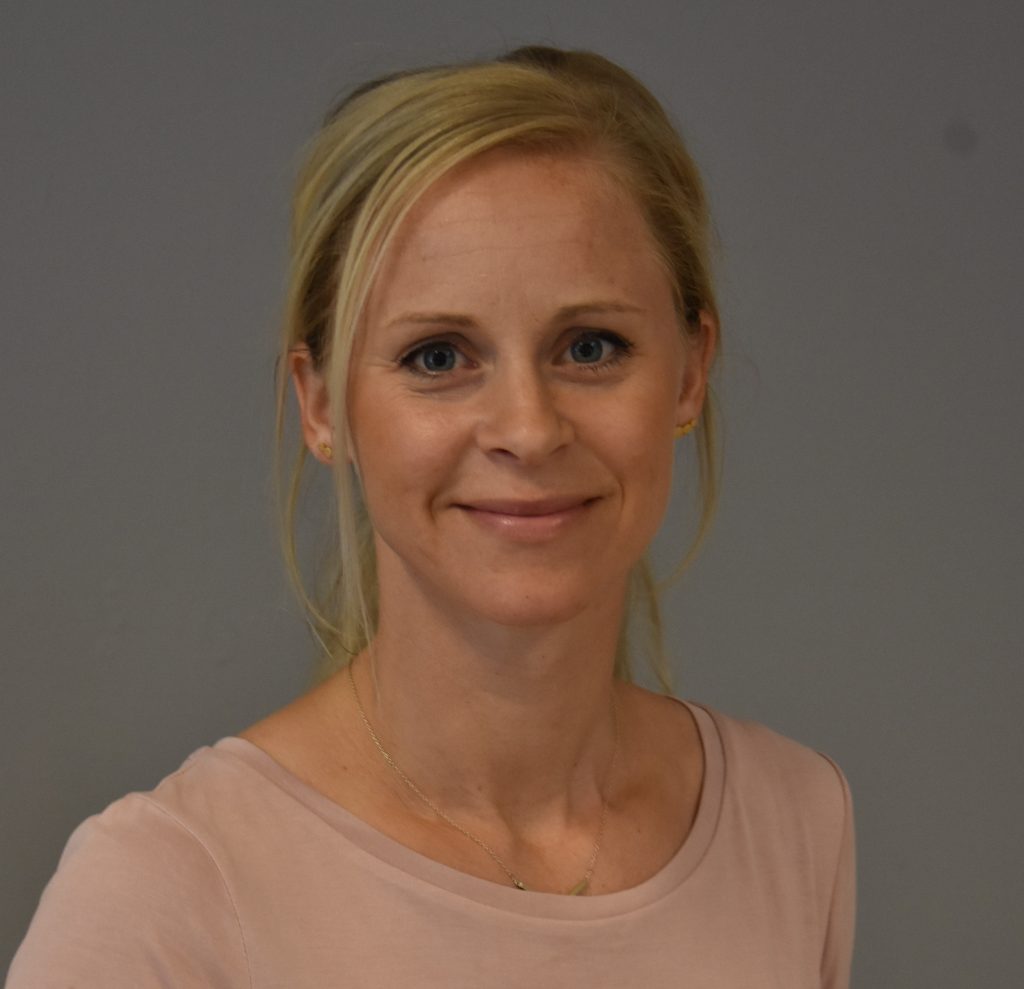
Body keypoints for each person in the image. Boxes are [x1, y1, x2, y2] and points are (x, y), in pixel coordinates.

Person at [8, 46, 855, 987]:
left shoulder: (795, 818)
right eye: (439, 357)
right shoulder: (168, 885)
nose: (528, 429)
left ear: (691, 372)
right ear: (322, 406)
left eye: (590, 346)